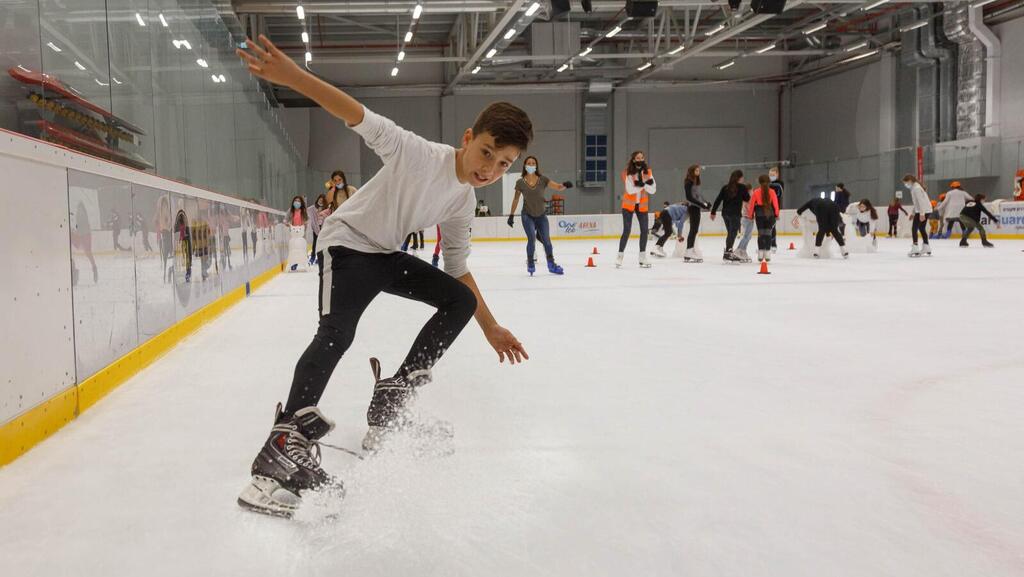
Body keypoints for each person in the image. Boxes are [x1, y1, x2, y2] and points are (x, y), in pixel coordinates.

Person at [234, 35, 532, 518]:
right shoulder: (419, 155)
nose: (490, 170)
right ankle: (279, 451)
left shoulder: (461, 203)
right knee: (336, 334)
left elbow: (458, 268)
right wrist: (293, 78)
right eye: (487, 153)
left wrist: (490, 326)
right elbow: (357, 115)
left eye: (503, 165)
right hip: (347, 245)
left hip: (385, 254)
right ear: (468, 138)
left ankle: (393, 398)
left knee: (458, 299)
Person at [507, 155, 572, 275]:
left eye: (533, 163)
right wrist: (511, 215)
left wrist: (565, 185)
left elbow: (557, 187)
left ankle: (551, 264)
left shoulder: (543, 179)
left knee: (546, 241)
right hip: (527, 215)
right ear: (525, 166)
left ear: (536, 166)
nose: (531, 165)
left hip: (541, 215)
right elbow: (516, 199)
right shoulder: (520, 182)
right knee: (531, 238)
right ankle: (530, 262)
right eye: (529, 163)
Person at [615, 151, 656, 268]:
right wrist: (644, 185)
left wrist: (640, 184)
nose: (640, 159)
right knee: (627, 230)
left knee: (644, 231)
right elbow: (630, 190)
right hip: (628, 205)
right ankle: (620, 256)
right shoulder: (628, 173)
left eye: (642, 157)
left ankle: (642, 257)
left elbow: (653, 190)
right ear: (633, 160)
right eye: (638, 158)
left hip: (642, 206)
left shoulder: (648, 172)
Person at [710, 169, 750, 262]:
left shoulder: (725, 187)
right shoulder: (742, 187)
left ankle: (728, 251)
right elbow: (747, 198)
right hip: (735, 214)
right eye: (742, 177)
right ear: (740, 178)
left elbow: (718, 200)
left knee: (731, 233)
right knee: (733, 233)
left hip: (725, 214)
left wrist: (713, 212)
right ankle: (728, 252)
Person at [747, 175, 780, 262]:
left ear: (759, 182)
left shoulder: (756, 192)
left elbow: (751, 205)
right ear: (769, 182)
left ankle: (760, 254)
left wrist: (750, 215)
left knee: (761, 234)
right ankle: (768, 253)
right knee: (768, 234)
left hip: (759, 214)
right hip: (769, 214)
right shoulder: (772, 192)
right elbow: (776, 204)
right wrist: (776, 214)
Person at [682, 164, 710, 263]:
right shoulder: (688, 182)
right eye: (696, 171)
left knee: (694, 230)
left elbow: (698, 195)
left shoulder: (695, 182)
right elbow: (689, 197)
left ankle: (689, 251)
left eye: (699, 171)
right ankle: (689, 252)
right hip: (693, 207)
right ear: (691, 172)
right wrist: (702, 205)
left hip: (696, 207)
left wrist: (706, 202)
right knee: (693, 230)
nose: (698, 172)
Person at [903, 174, 933, 257]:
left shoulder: (916, 188)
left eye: (906, 183)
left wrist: (922, 213)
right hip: (926, 210)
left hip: (923, 210)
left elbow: (921, 202)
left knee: (914, 228)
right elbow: (917, 203)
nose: (906, 185)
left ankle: (915, 247)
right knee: (921, 228)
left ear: (910, 181)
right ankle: (926, 246)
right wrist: (913, 213)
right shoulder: (915, 187)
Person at [767, 166, 784, 252]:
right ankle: (767, 244)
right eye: (770, 174)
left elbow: (779, 194)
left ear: (777, 174)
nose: (771, 176)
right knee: (766, 226)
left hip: (774, 207)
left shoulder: (779, 183)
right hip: (766, 207)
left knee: (772, 226)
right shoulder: (767, 183)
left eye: (773, 174)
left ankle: (773, 244)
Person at [308, 194, 327, 265]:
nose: (321, 200)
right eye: (320, 199)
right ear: (318, 199)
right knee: (315, 243)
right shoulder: (313, 208)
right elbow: (308, 211)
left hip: (323, 227)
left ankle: (320, 258)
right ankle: (313, 256)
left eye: (322, 199)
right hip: (316, 227)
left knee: (322, 243)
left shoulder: (326, 207)